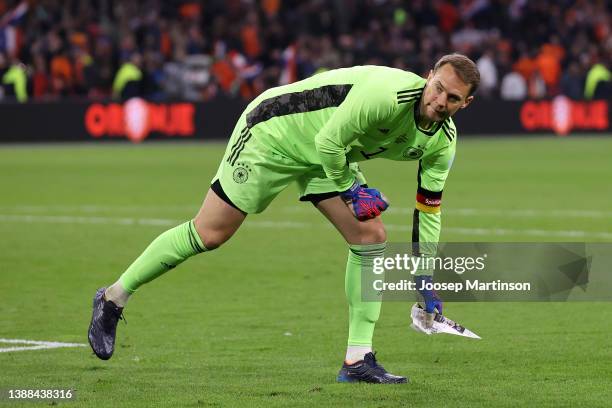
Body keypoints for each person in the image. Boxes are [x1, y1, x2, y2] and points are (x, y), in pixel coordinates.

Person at [88, 53, 479, 384]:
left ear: (467, 103)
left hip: (326, 152)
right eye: (438, 87)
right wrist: (351, 190)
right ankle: (112, 299)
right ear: (429, 77)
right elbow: (328, 141)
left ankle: (357, 360)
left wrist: (425, 274)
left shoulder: (442, 143)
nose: (440, 99)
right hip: (274, 131)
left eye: (453, 97)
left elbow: (429, 208)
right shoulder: (387, 95)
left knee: (370, 235)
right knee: (210, 233)